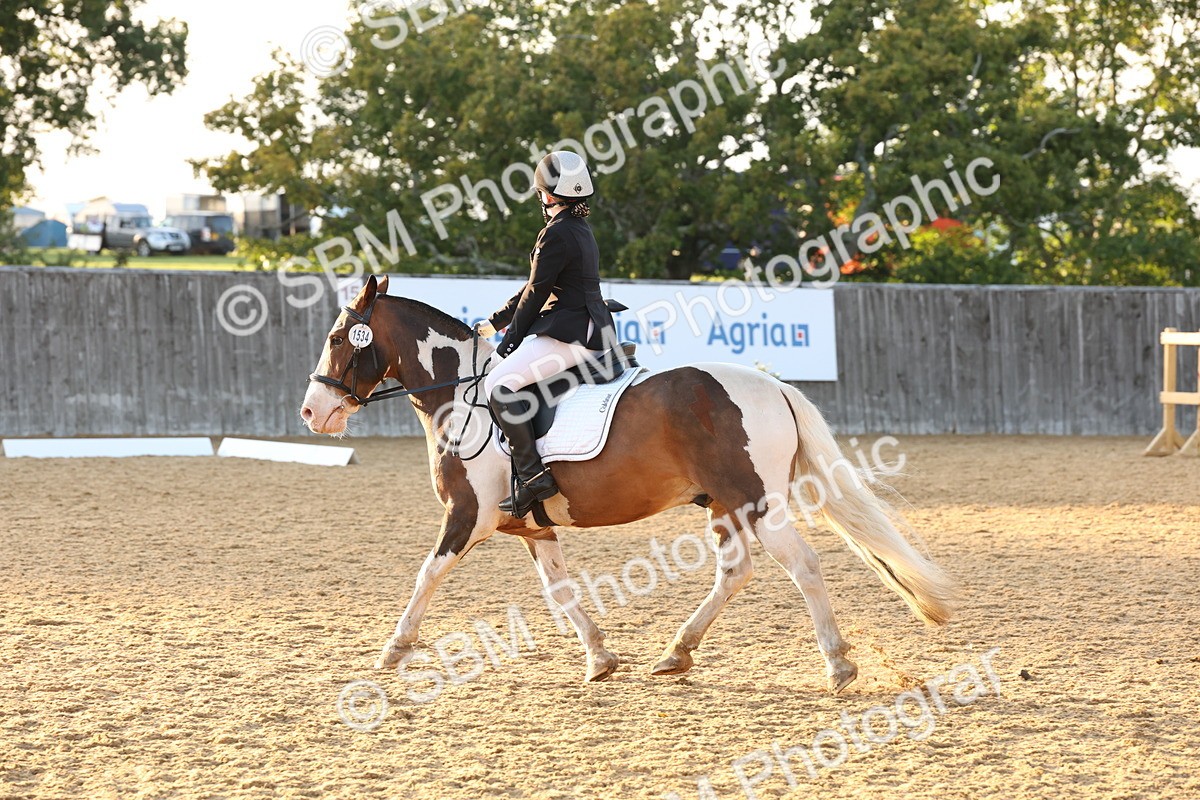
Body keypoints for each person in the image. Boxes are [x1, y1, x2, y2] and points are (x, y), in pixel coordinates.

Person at [475, 151, 619, 518]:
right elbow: (536, 287)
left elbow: (536, 294)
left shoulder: (555, 233)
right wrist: (495, 322)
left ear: (549, 196)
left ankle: (534, 477)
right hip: (592, 329)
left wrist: (506, 344)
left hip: (569, 333)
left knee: (498, 385)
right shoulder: (579, 228)